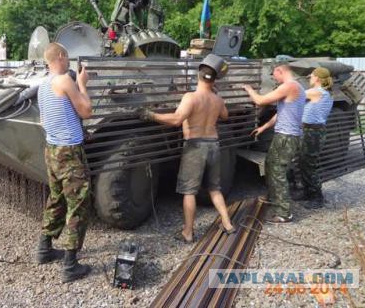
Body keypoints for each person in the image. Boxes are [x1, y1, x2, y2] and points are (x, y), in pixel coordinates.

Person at [140, 54, 235, 243]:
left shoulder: (190, 97)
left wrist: (151, 115)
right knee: (215, 188)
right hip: (214, 145)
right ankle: (228, 224)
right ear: (215, 79)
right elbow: (225, 115)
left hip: (195, 147)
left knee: (189, 191)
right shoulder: (217, 99)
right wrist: (216, 94)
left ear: (198, 75)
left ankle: (188, 232)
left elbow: (176, 120)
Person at [36, 42, 92, 283]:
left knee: (56, 198)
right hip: (69, 151)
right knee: (78, 203)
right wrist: (82, 84)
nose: (69, 61)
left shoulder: (42, 84)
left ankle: (44, 249)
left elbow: (46, 118)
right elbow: (86, 111)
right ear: (59, 56)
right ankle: (70, 264)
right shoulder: (64, 81)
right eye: (67, 56)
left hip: (52, 150)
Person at [243, 64, 305, 223]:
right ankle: (274, 198)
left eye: (274, 74)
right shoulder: (297, 87)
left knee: (277, 170)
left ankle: (284, 213)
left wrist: (249, 89)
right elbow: (280, 114)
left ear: (281, 71)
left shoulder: (289, 86)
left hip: (286, 136)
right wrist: (263, 127)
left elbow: (260, 101)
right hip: (285, 135)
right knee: (270, 165)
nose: (273, 78)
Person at [293, 67, 333, 209]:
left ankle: (317, 197)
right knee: (301, 163)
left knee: (309, 165)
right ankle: (306, 191)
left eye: (311, 76)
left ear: (317, 78)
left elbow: (296, 95)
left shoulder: (317, 92)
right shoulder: (321, 93)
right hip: (309, 131)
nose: (309, 78)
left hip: (313, 133)